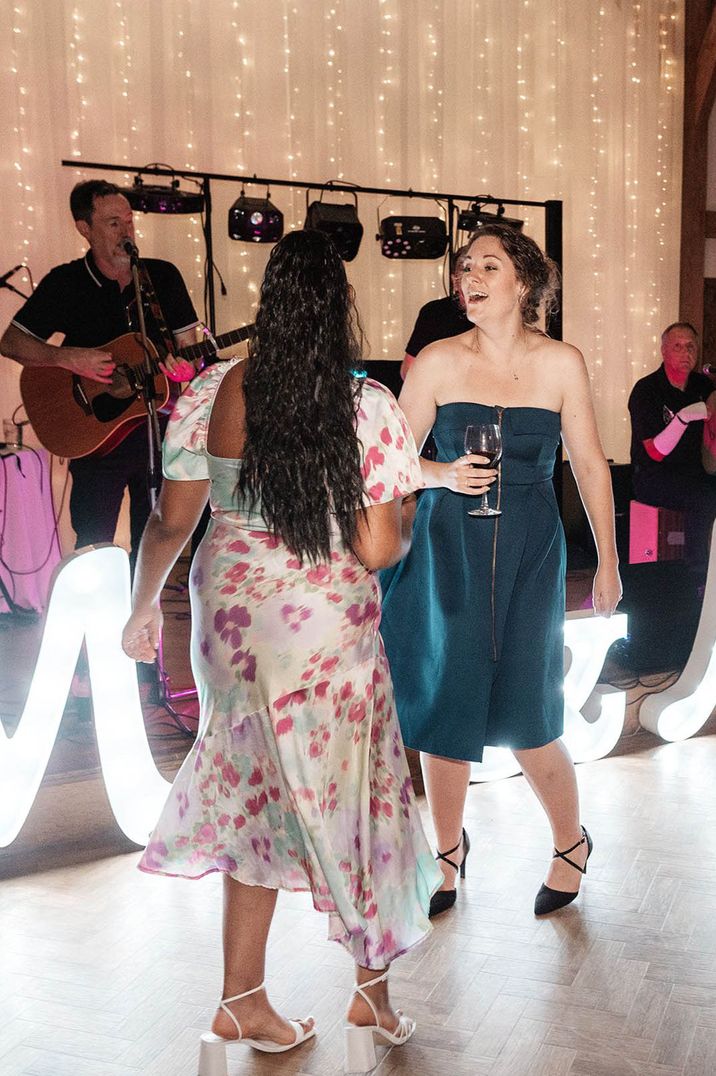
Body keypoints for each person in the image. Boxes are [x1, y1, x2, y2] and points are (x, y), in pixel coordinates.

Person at [121, 230, 441, 1073]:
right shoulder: (365, 404)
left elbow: (170, 520)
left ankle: (240, 1002)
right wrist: (407, 517)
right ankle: (370, 991)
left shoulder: (215, 390)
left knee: (253, 791)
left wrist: (141, 605)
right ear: (337, 308)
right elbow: (375, 548)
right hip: (321, 633)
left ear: (270, 303)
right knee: (358, 803)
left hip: (228, 621)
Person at [380, 222, 622, 919]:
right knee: (447, 706)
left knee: (533, 713)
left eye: (488, 264)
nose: (471, 277)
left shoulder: (561, 363)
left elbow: (590, 464)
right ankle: (447, 857)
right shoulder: (436, 360)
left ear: (523, 280)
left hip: (531, 548)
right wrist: (440, 473)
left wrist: (608, 560)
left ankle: (570, 845)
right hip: (448, 546)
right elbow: (388, 457)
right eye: (464, 268)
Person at [0, 179, 200, 567]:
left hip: (158, 434)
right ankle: (98, 624)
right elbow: (11, 343)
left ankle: (142, 623)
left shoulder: (162, 277)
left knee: (155, 545)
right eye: (112, 224)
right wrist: (66, 358)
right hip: (94, 438)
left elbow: (189, 351)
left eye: (128, 221)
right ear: (84, 228)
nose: (126, 232)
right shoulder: (66, 282)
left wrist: (184, 368)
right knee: (94, 545)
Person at [628, 322, 716, 568]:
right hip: (652, 476)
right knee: (703, 498)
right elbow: (655, 452)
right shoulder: (646, 390)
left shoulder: (703, 387)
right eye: (677, 346)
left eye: (691, 347)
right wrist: (684, 417)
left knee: (703, 490)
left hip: (694, 472)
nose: (686, 353)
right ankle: (696, 574)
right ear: (663, 350)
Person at [400, 244, 471, 381]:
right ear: (454, 281)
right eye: (465, 272)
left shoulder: (505, 316)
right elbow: (409, 370)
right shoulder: (435, 312)